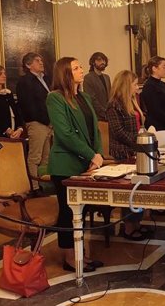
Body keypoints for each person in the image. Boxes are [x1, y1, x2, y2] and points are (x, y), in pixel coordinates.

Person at [46, 57, 104, 273]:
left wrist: (97, 154)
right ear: (65, 74)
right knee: (68, 212)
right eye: (76, 68)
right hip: (66, 165)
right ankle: (70, 257)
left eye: (80, 67)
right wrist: (92, 155)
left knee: (83, 209)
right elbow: (66, 134)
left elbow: (94, 129)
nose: (81, 71)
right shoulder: (56, 99)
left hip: (87, 162)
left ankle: (82, 254)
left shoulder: (85, 97)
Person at [106, 70, 150, 240]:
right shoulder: (114, 105)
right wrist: (138, 142)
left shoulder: (132, 101)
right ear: (125, 85)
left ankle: (137, 223)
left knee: (138, 189)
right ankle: (129, 227)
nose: (137, 86)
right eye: (134, 84)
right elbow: (118, 131)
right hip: (123, 151)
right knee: (129, 191)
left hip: (136, 149)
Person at [16, 52, 52, 182]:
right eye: (37, 60)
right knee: (35, 156)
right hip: (37, 122)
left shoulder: (46, 78)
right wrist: (45, 120)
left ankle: (44, 183)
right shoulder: (24, 81)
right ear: (28, 64)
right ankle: (34, 185)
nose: (41, 62)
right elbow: (28, 105)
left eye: (41, 60)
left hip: (48, 122)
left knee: (46, 156)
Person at [140, 56, 165, 135]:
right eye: (163, 67)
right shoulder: (149, 86)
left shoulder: (163, 84)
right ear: (154, 68)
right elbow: (156, 110)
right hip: (158, 128)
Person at [83, 52, 111, 121]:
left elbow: (110, 95)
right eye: (99, 60)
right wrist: (103, 113)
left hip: (109, 114)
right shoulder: (88, 78)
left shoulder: (107, 77)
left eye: (104, 60)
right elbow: (92, 99)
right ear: (93, 62)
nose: (102, 62)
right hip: (97, 116)